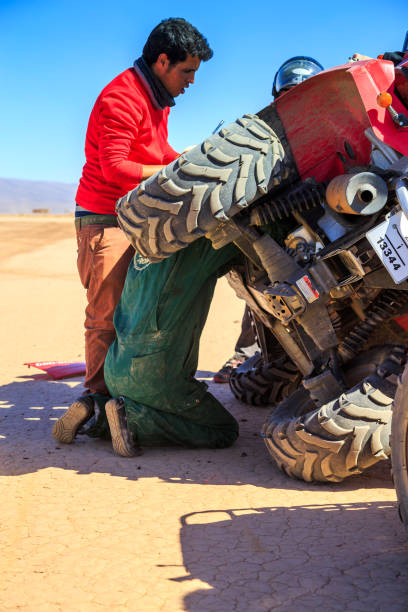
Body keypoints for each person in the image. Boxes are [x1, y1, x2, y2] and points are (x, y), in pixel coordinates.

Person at [52, 18, 213, 445]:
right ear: (163, 61)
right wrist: (175, 171)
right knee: (106, 314)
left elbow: (159, 153)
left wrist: (202, 161)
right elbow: (117, 168)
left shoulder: (155, 98)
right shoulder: (121, 97)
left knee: (138, 314)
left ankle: (119, 403)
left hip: (136, 216)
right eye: (187, 71)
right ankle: (96, 400)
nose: (192, 81)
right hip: (104, 218)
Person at [213, 56, 324, 383]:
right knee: (260, 272)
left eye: (303, 92)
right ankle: (248, 353)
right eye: (289, 93)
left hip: (328, 223)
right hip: (282, 231)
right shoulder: (263, 134)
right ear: (278, 96)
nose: (295, 100)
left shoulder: (331, 126)